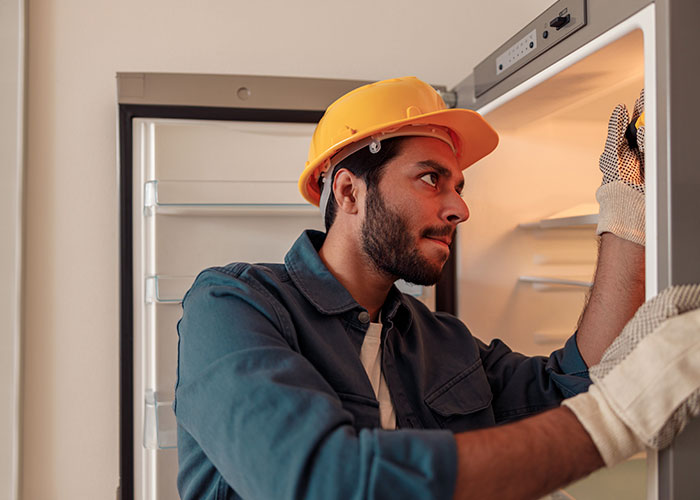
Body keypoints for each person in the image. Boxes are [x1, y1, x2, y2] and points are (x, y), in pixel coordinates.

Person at [174, 77, 700, 499]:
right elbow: (319, 481)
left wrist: (626, 206)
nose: (459, 209)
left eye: (459, 185)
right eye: (431, 179)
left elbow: (572, 390)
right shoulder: (232, 305)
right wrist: (612, 422)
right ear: (349, 190)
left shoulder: (443, 342)